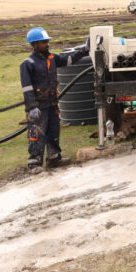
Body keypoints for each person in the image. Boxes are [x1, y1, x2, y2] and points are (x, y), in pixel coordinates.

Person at [20, 27, 89, 170]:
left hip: (52, 104)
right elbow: (27, 88)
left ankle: (53, 157)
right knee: (37, 133)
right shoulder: (27, 64)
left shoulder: (52, 58)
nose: (47, 44)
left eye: (47, 41)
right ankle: (34, 162)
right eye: (43, 42)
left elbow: (68, 60)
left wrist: (84, 50)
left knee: (53, 130)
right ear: (34, 45)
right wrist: (31, 107)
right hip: (38, 107)